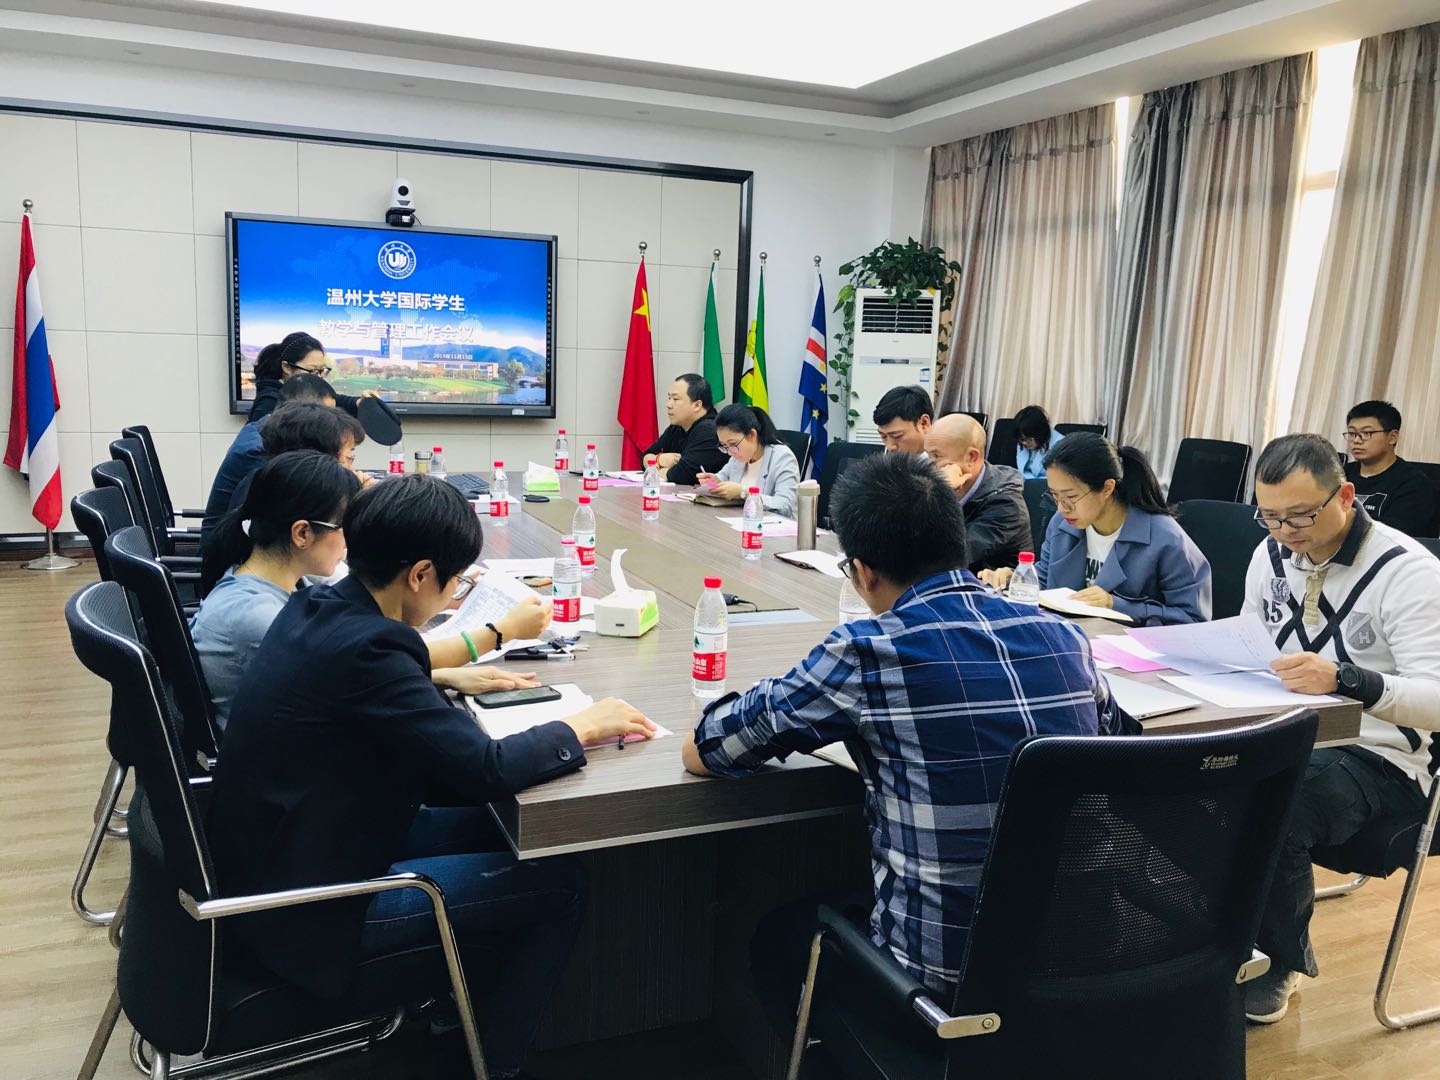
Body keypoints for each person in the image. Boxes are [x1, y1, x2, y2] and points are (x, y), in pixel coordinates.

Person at [681, 453, 1131, 1057]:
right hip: (1094, 966)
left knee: (777, 935)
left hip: (946, 995)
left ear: (863, 573)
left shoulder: (868, 651)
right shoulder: (1064, 637)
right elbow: (1118, 743)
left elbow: (708, 749)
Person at [207, 475, 656, 1079]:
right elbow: (485, 768)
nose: (453, 596)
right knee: (561, 882)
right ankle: (490, 1065)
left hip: (291, 851)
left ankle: (457, 1011)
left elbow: (383, 687)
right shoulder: (370, 651)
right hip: (314, 911)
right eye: (455, 583)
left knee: (505, 831)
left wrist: (433, 676)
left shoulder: (318, 605)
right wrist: (579, 726)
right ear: (419, 574)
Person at [1240, 433, 1440, 1024]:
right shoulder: (1269, 554)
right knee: (1193, 771)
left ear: (1346, 496)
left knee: (1275, 796)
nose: (1284, 531)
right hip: (1286, 731)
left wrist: (1349, 680)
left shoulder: (1407, 573)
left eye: (1301, 515)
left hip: (1382, 758)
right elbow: (1249, 642)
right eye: (1270, 516)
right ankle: (1213, 934)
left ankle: (1279, 959)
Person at [195, 451, 546, 732]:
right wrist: (503, 631)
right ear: (302, 534)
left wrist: (440, 675)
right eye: (343, 526)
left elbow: (346, 676)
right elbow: (369, 664)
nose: (351, 540)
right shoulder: (259, 617)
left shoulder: (288, 582)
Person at [980, 433, 1211, 625]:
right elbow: (1046, 582)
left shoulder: (1165, 538)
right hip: (1073, 642)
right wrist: (1016, 580)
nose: (1062, 508)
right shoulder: (1062, 524)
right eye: (1055, 496)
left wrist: (1116, 604)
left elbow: (1192, 620)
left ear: (1107, 488)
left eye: (1071, 497)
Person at [200, 373, 338, 551]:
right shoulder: (260, 451)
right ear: (302, 413)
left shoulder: (267, 427)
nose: (333, 424)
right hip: (229, 556)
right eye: (326, 417)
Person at [923, 412, 1030, 571]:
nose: (928, 465)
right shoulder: (949, 485)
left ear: (971, 457)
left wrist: (941, 493)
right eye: (928, 455)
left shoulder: (1006, 504)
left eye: (936, 456)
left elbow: (948, 557)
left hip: (988, 583)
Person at [1342, 400, 1437, 538]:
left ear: (1392, 437)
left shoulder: (1414, 485)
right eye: (1352, 433)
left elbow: (1393, 537)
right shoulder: (1339, 474)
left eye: (1366, 433)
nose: (1356, 440)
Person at [247, 331, 377, 423]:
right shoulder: (270, 403)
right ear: (287, 367)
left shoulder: (302, 391)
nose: (318, 378)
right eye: (312, 370)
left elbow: (334, 400)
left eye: (321, 370)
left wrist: (360, 402)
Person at [698, 403, 801, 518]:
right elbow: (723, 476)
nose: (730, 452)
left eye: (733, 444)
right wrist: (715, 481)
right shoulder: (737, 457)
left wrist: (744, 492)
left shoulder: (782, 457)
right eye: (724, 445)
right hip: (739, 520)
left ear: (752, 435)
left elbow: (785, 506)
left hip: (770, 526)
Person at [642, 374, 728, 486]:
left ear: (697, 405)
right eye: (669, 398)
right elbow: (645, 457)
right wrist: (659, 459)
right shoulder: (678, 426)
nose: (668, 405)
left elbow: (684, 474)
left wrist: (657, 471)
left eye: (675, 399)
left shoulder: (710, 430)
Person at [872, 385, 933, 455]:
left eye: (897, 436)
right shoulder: (885, 458)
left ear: (924, 423)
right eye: (883, 436)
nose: (890, 447)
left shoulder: (942, 459)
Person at [1014, 404, 1065, 480]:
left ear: (1040, 433)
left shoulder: (1060, 445)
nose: (1025, 443)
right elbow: (1022, 471)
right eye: (1022, 439)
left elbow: (1059, 478)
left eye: (1029, 439)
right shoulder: (1023, 440)